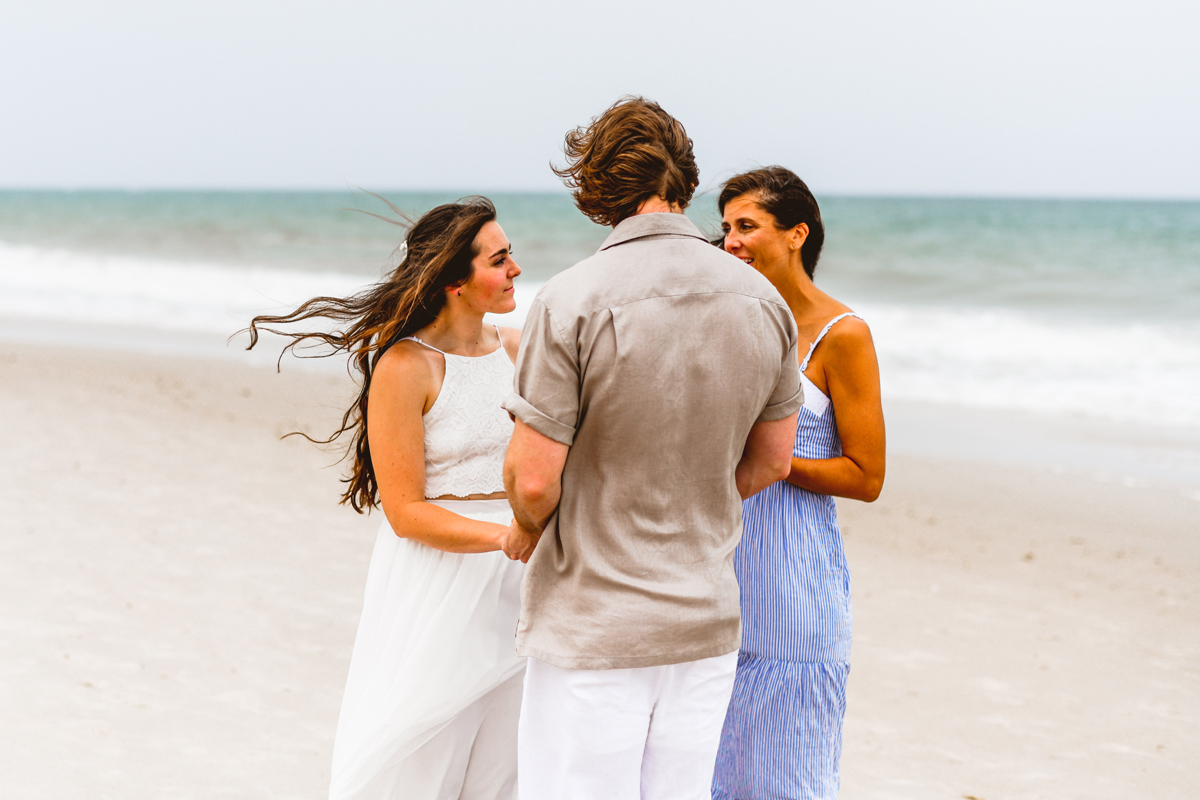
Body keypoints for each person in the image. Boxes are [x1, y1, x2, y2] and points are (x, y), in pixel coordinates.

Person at [498, 98, 803, 800]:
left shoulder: (571, 299)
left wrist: (523, 525)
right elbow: (773, 461)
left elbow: (536, 481)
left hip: (595, 622)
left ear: (598, 184)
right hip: (703, 616)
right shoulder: (761, 299)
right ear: (686, 180)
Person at [245, 197, 527, 800]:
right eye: (500, 260)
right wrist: (506, 537)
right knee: (420, 751)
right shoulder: (406, 366)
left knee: (506, 768)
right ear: (455, 280)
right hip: (441, 579)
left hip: (521, 580)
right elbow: (405, 511)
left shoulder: (518, 348)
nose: (516, 269)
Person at [711, 167, 886, 800]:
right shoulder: (730, 322)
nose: (730, 240)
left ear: (796, 234)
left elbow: (867, 476)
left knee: (787, 768)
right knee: (710, 764)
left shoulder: (844, 336)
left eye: (747, 226)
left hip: (792, 584)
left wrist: (776, 460)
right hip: (715, 575)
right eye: (726, 226)